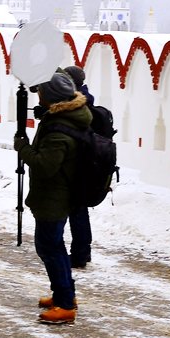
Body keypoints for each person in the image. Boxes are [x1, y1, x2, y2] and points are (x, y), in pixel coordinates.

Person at [13, 71, 91, 325]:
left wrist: (22, 146)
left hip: (54, 196)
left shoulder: (60, 130)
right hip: (60, 193)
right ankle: (64, 294)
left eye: (42, 92)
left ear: (52, 97)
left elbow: (45, 166)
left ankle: (65, 304)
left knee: (49, 247)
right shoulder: (67, 117)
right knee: (54, 246)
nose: (39, 95)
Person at [61, 65, 95, 269]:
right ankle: (83, 251)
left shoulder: (77, 103)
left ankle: (80, 254)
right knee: (79, 210)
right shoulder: (86, 99)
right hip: (86, 162)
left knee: (75, 210)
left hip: (76, 162)